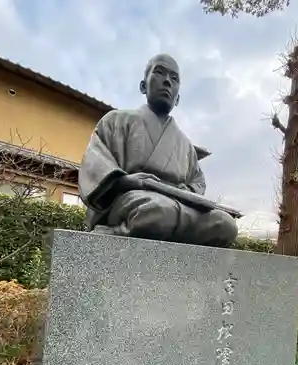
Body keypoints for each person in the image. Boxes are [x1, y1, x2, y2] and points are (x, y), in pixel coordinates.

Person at [78, 54, 238, 246]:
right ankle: (117, 229)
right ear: (143, 86)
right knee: (153, 212)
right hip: (133, 199)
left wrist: (182, 191)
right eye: (159, 73)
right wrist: (125, 181)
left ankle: (157, 229)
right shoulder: (116, 121)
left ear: (177, 98)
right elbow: (96, 165)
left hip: (177, 205)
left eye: (174, 78)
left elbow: (197, 183)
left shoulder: (186, 145)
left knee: (225, 224)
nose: (167, 82)